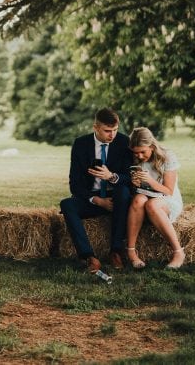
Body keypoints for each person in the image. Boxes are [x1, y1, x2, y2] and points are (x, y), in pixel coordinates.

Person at [59, 107, 134, 274]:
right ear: (95, 127)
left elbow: (130, 178)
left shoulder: (124, 142)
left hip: (117, 199)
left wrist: (111, 176)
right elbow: (75, 183)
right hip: (92, 198)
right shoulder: (81, 144)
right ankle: (89, 256)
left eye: (115, 130)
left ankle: (116, 251)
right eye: (107, 131)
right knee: (67, 205)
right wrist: (98, 201)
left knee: (123, 192)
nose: (112, 135)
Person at [125, 126, 185, 269]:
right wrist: (134, 183)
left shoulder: (167, 156)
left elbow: (168, 190)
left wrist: (150, 181)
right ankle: (131, 251)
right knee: (138, 200)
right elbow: (136, 191)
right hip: (145, 197)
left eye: (142, 152)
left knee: (152, 204)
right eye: (136, 153)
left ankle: (178, 252)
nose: (139, 156)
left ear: (151, 146)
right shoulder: (135, 158)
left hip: (167, 199)